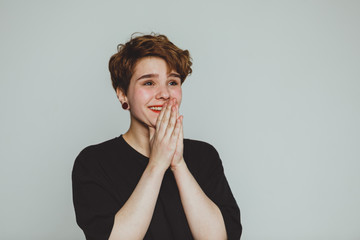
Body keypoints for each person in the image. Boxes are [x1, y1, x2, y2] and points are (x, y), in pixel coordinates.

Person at [72, 33, 242, 240]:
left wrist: (178, 165)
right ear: (122, 94)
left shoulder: (204, 155)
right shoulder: (93, 162)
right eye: (149, 83)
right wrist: (157, 164)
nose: (165, 93)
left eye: (172, 82)